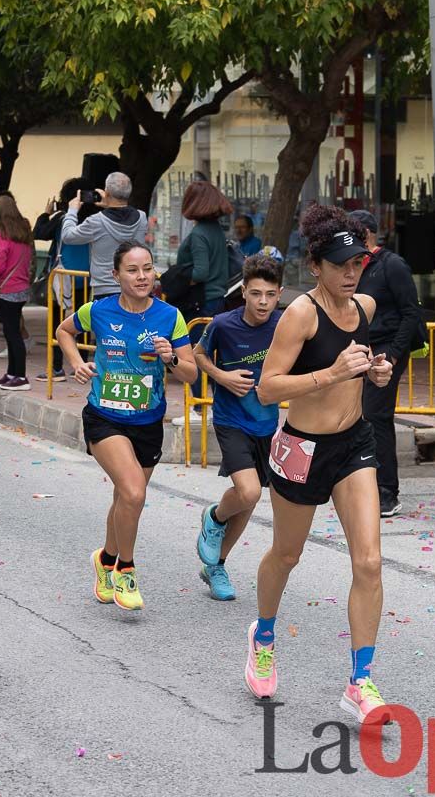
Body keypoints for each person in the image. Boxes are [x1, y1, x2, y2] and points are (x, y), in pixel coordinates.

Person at [245, 205, 395, 722]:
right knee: (286, 555)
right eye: (340, 264)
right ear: (317, 267)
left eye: (357, 262)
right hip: (302, 448)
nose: (351, 273)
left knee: (369, 561)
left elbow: (362, 363)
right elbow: (267, 388)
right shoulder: (300, 314)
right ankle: (263, 635)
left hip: (354, 445)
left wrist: (373, 371)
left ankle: (361, 681)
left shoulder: (367, 308)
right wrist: (331, 373)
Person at [57, 242, 198, 610]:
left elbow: (190, 373)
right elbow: (63, 331)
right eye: (133, 270)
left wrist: (170, 358)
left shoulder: (170, 316)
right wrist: (75, 363)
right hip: (104, 417)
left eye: (148, 269)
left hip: (148, 422)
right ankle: (125, 570)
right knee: (134, 493)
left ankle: (104, 559)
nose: (142, 277)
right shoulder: (98, 310)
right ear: (115, 275)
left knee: (125, 497)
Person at [194, 253, 284, 601]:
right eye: (256, 293)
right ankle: (214, 517)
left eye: (270, 294)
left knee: (247, 503)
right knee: (247, 492)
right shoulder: (223, 324)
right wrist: (222, 376)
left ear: (280, 294)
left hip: (267, 423)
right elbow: (199, 355)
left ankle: (216, 565)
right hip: (231, 419)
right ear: (244, 291)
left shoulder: (285, 326)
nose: (263, 302)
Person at [351, 209, 425, 517]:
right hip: (362, 348)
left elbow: (411, 313)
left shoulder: (392, 266)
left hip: (387, 348)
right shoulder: (354, 268)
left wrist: (393, 354)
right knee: (359, 414)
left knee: (376, 413)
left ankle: (387, 491)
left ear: (367, 235)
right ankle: (361, 481)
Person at [173, 181, 232, 425]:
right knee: (213, 356)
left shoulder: (198, 234)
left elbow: (200, 272)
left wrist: (177, 280)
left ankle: (198, 408)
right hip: (217, 301)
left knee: (195, 355)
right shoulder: (216, 230)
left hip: (201, 303)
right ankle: (212, 407)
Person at [34, 177, 94, 382]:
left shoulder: (64, 219)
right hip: (86, 277)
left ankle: (56, 366)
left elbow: (39, 233)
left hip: (62, 277)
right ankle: (84, 363)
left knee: (58, 323)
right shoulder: (95, 219)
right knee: (83, 321)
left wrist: (46, 213)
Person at [60, 172, 147, 300]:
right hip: (134, 287)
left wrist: (72, 211)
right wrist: (109, 205)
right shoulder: (142, 217)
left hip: (105, 289)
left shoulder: (96, 221)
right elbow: (121, 214)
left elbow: (67, 236)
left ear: (106, 192)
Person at [0, 195, 34, 391]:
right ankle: (12, 373)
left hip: (7, 289)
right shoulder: (22, 234)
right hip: (21, 288)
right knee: (12, 331)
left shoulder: (1, 237)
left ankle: (20, 376)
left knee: (12, 333)